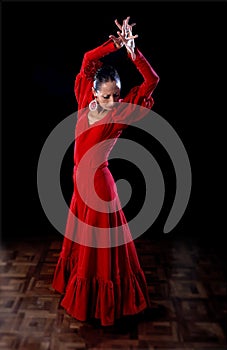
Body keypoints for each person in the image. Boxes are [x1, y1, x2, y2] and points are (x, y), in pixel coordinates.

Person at [52, 16, 160, 327]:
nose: (112, 101)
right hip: (79, 182)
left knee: (98, 251)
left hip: (99, 185)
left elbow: (152, 81)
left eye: (116, 95)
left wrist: (133, 51)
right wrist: (113, 44)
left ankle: (99, 305)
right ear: (95, 91)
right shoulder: (85, 96)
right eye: (107, 95)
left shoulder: (122, 112)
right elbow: (88, 60)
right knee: (81, 242)